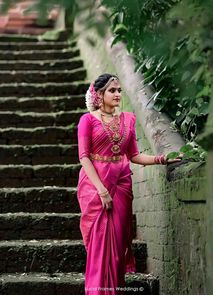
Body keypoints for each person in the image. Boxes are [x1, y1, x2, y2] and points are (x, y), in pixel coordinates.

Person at [77, 73, 183, 294]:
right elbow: (84, 156)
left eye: (119, 91)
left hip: (122, 184)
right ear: (99, 94)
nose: (117, 94)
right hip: (95, 186)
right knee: (99, 245)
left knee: (117, 246)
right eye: (111, 91)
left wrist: (162, 158)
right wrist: (102, 191)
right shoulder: (87, 120)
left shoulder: (128, 119)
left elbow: (134, 155)